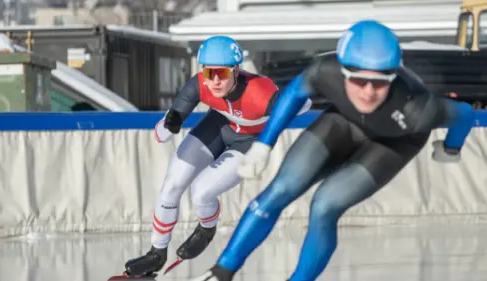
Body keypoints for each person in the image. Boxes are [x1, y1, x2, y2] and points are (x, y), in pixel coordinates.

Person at [190, 20, 475, 281]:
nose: (367, 91)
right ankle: (222, 271)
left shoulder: (417, 106)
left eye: (379, 82)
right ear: (342, 70)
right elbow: (293, 94)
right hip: (344, 122)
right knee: (280, 189)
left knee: (325, 206)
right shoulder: (325, 70)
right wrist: (264, 143)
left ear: (394, 76)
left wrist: (452, 147)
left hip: (393, 143)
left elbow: (463, 114)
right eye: (357, 79)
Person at [122, 35, 312, 277]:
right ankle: (156, 253)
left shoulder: (262, 93)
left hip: (249, 141)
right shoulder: (199, 83)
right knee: (171, 185)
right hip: (218, 126)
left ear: (236, 70)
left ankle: (207, 229)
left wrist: (297, 99)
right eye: (208, 72)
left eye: (221, 73)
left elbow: (302, 103)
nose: (214, 81)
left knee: (201, 192)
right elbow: (161, 136)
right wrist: (170, 125)